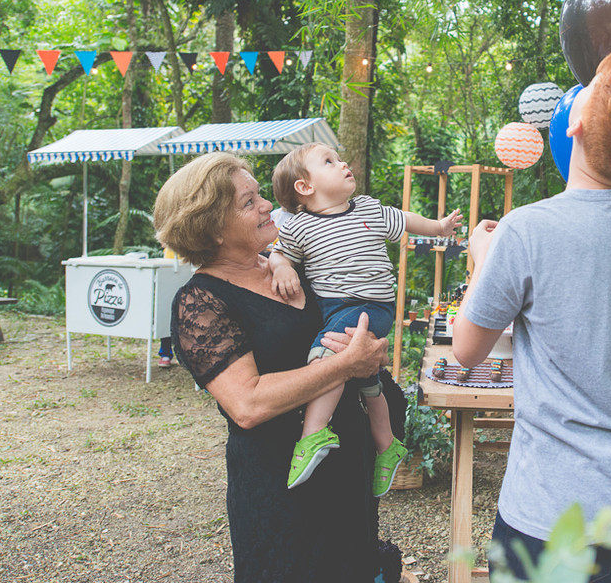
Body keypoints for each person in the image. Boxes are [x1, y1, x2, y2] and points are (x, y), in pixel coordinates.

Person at [453, 49, 611, 583]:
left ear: (576, 122)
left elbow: (468, 349)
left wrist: (482, 259)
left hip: (553, 511)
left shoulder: (526, 232)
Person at [153, 152, 392, 583]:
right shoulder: (201, 302)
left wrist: (369, 354)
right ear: (212, 228)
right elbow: (247, 403)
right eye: (249, 202)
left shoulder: (293, 266)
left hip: (346, 465)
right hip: (282, 485)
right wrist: (345, 365)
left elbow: (352, 322)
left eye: (260, 194)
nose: (267, 205)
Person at [270, 142, 463, 495]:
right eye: (329, 161)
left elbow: (405, 220)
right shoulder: (297, 226)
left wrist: (438, 227)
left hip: (371, 305)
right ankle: (388, 445)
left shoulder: (369, 210)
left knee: (328, 355)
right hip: (331, 306)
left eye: (339, 158)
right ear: (304, 187)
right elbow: (279, 254)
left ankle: (312, 432)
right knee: (367, 381)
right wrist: (282, 268)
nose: (343, 163)